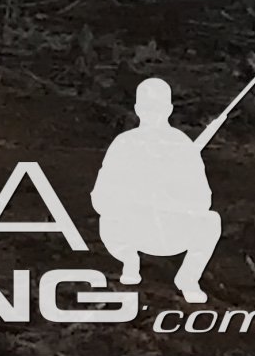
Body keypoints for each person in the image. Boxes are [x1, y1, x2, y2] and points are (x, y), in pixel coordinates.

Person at [92, 77, 223, 303]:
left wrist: (174, 196)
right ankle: (129, 261)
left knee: (211, 221)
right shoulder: (124, 144)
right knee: (108, 220)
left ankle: (188, 278)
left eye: (158, 108)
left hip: (171, 230)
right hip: (132, 230)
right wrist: (132, 198)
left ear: (169, 109)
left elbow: (203, 200)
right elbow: (100, 197)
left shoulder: (182, 146)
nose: (152, 113)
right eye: (147, 108)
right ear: (137, 109)